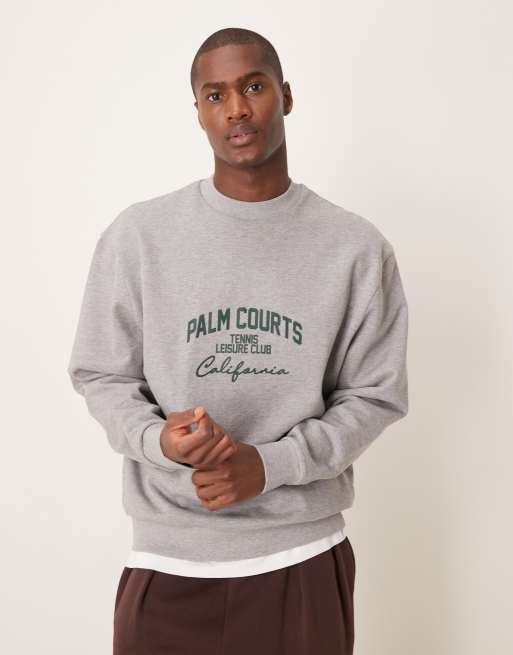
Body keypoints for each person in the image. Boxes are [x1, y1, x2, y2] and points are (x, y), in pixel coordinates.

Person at [67, 26, 409, 655]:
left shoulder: (355, 248)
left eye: (253, 87)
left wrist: (269, 465)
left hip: (300, 559)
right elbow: (101, 373)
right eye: (216, 95)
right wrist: (160, 440)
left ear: (286, 95)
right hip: (168, 561)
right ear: (198, 112)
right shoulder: (139, 237)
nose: (237, 110)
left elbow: (374, 396)